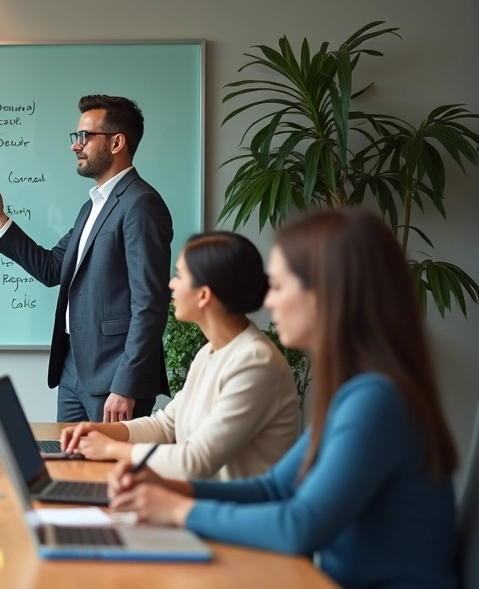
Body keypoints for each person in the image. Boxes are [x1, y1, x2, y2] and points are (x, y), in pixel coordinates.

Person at [107, 208, 459, 589]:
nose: (268, 303)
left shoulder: (377, 401)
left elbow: (298, 526)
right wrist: (169, 488)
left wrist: (178, 509)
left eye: (277, 286)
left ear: (326, 293)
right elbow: (273, 489)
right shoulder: (357, 392)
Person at [0, 94, 173, 423]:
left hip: (114, 378)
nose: (75, 145)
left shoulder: (141, 204)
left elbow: (149, 303)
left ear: (117, 142)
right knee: (67, 456)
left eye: (85, 136)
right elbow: (52, 268)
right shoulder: (91, 207)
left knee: (107, 460)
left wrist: (127, 385)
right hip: (72, 371)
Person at [59, 232, 298, 480]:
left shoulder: (256, 362)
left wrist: (110, 448)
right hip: (199, 498)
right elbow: (165, 425)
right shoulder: (209, 353)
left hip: (228, 504)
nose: (171, 284)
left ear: (203, 295)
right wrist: (100, 431)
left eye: (180, 275)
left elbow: (194, 461)